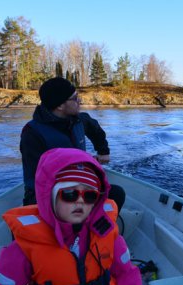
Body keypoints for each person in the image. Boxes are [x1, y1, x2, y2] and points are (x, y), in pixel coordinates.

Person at [0, 148, 160, 285]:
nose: (80, 201)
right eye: (69, 194)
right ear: (50, 196)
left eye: (89, 196)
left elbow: (126, 274)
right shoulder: (23, 247)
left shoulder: (107, 234)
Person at [21, 77, 124, 209]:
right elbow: (38, 176)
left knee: (117, 194)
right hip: (44, 191)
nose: (80, 101)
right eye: (75, 98)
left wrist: (103, 151)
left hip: (78, 183)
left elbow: (96, 130)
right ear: (60, 105)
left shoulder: (80, 120)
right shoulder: (32, 133)